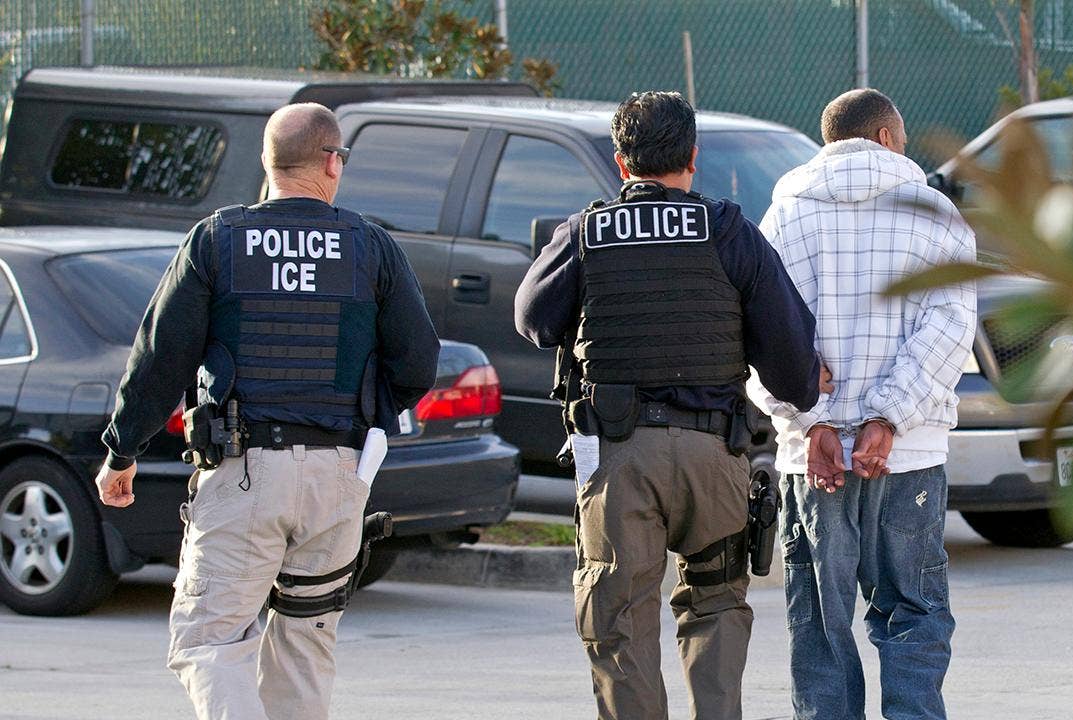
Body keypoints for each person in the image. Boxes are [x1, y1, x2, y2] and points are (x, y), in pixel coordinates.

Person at [93, 102, 439, 720]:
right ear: (332, 163)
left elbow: (160, 359)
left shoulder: (216, 239)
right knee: (303, 649)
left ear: (267, 162)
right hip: (339, 477)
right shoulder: (371, 245)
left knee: (209, 640)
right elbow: (418, 363)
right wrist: (365, 417)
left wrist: (123, 451)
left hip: (243, 470)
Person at [514, 91, 822, 720]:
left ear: (620, 161)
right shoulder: (729, 231)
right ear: (693, 157)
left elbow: (532, 320)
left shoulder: (587, 232)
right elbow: (794, 367)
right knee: (716, 605)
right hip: (714, 456)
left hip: (619, 459)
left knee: (619, 617)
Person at [748, 88, 977, 720]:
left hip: (811, 462)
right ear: (884, 137)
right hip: (910, 455)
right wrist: (888, 417)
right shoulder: (934, 213)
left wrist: (812, 421)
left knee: (820, 623)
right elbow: (950, 327)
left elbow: (760, 334)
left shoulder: (783, 215)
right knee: (913, 613)